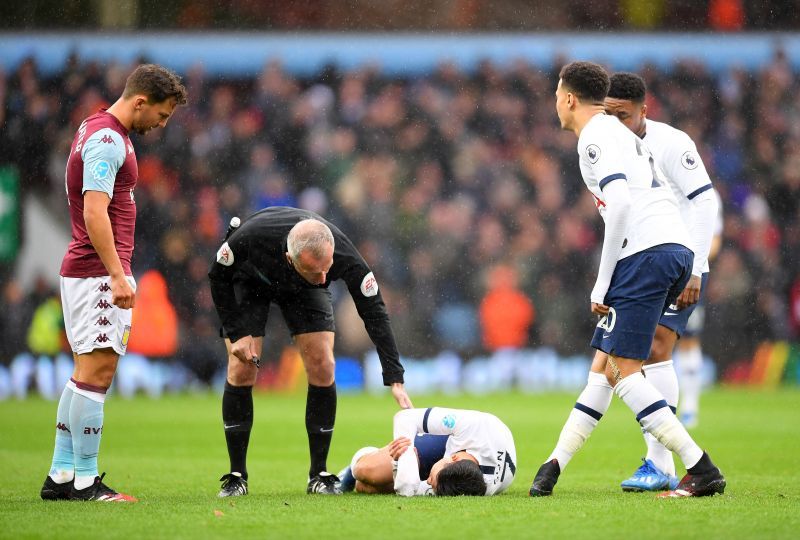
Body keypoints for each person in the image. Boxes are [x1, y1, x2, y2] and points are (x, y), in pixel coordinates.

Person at [529, 61, 725, 499]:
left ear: (568, 98)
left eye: (556, 95)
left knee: (623, 370)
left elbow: (618, 205)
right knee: (605, 364)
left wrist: (602, 284)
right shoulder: (621, 132)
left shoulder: (595, 137)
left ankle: (698, 466)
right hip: (672, 249)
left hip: (646, 253)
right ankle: (552, 466)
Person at [40, 64, 187, 502]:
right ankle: (86, 482)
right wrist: (118, 274)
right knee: (97, 373)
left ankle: (61, 476)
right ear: (140, 101)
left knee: (84, 373)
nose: (160, 126)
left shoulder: (97, 126)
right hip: (97, 271)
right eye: (160, 116)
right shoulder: (107, 140)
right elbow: (94, 211)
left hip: (85, 270)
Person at [208, 207, 413, 497]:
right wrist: (236, 332)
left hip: (301, 288)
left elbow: (374, 310)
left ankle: (319, 473)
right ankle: (236, 476)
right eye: (317, 271)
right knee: (242, 367)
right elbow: (217, 276)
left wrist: (394, 375)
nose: (324, 278)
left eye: (327, 268)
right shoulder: (249, 238)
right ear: (289, 258)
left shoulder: (338, 256)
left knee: (323, 363)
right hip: (250, 281)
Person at [338, 407, 516, 497]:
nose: (429, 482)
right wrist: (406, 457)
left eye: (431, 484)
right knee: (366, 470)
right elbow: (406, 416)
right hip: (452, 439)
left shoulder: (474, 487)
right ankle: (348, 472)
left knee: (368, 487)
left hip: (465, 457)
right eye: (432, 479)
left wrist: (401, 473)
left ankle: (359, 481)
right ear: (452, 458)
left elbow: (416, 488)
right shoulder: (473, 425)